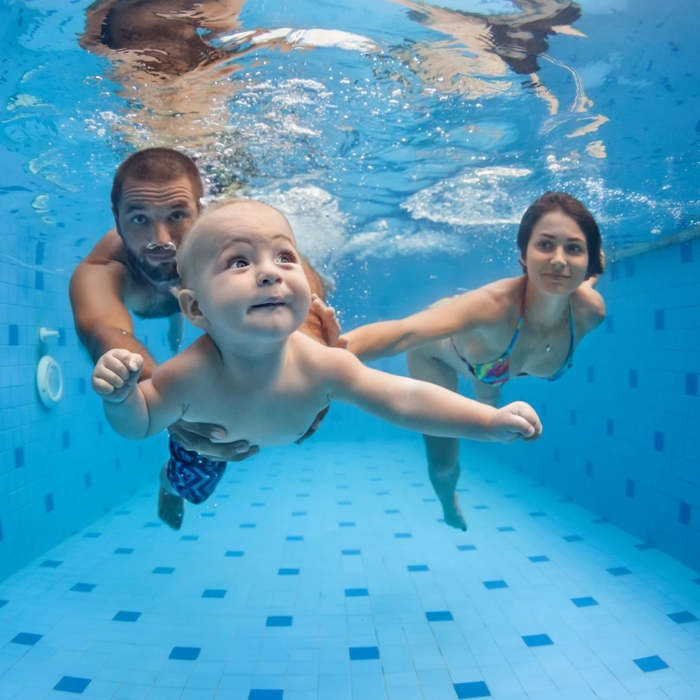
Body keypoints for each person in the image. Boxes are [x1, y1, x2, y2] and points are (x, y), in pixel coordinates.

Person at [91, 199, 543, 497]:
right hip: (208, 444)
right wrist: (121, 397)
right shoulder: (187, 377)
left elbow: (405, 399)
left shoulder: (324, 366)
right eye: (239, 262)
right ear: (194, 308)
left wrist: (487, 421)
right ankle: (167, 486)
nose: (270, 273)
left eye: (284, 257)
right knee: (192, 487)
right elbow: (143, 422)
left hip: (264, 430)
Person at [70, 148, 337, 528]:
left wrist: (312, 361)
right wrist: (167, 401)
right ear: (117, 219)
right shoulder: (103, 270)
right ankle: (171, 483)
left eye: (177, 216)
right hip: (195, 308)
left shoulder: (229, 240)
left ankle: (186, 321)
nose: (159, 241)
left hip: (214, 317)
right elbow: (108, 331)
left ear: (201, 211)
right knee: (197, 469)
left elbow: (297, 279)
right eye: (139, 219)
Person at [341, 192, 606, 530]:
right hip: (438, 353)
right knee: (443, 461)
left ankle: (487, 393)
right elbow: (402, 334)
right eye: (545, 245)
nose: (558, 260)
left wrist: (592, 269)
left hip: (493, 358)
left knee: (492, 380)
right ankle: (447, 502)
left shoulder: (589, 312)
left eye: (574, 249)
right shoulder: (491, 306)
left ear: (588, 261)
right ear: (523, 254)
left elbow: (585, 277)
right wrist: (321, 351)